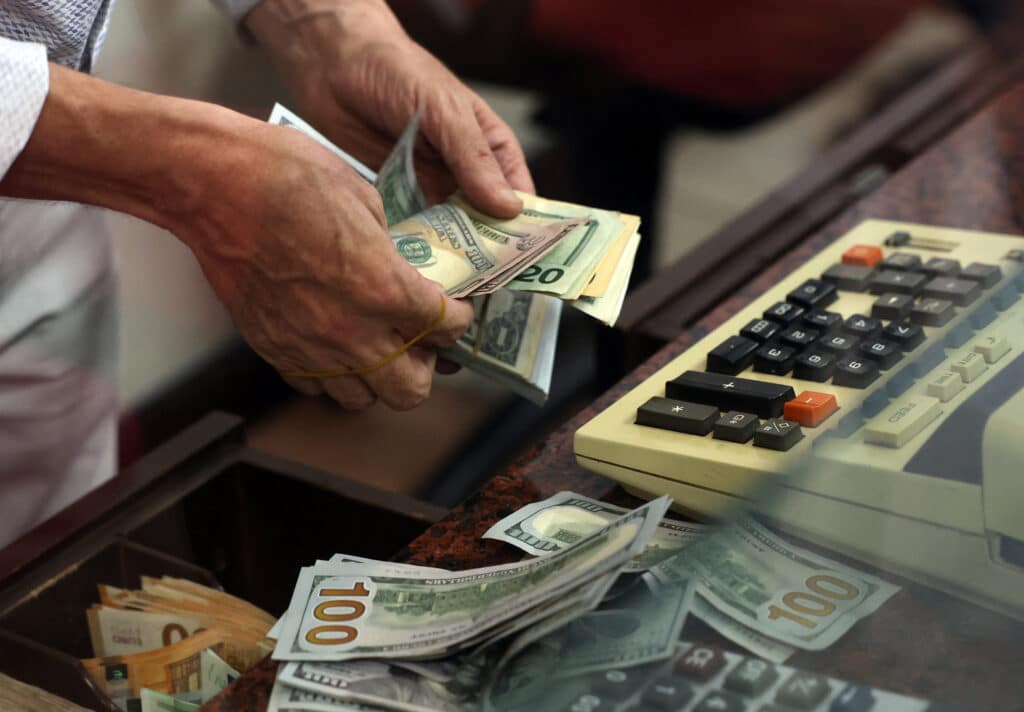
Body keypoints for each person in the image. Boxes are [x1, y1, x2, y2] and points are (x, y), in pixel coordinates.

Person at [0, 0, 534, 550]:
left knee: (49, 575)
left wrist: (328, 24)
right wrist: (195, 170)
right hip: (42, 202)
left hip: (39, 249)